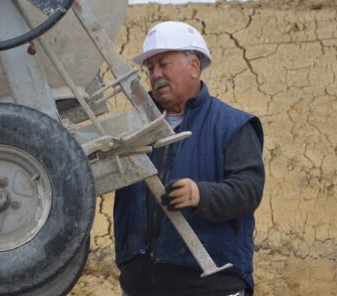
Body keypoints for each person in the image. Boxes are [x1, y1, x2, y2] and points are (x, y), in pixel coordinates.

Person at [113, 21, 265, 296]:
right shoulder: (132, 133)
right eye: (150, 68)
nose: (156, 74)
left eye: (164, 64)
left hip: (210, 283)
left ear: (194, 67)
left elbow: (249, 189)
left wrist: (200, 194)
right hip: (143, 284)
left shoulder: (233, 125)